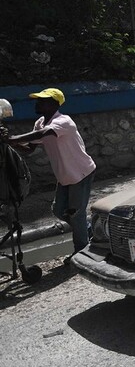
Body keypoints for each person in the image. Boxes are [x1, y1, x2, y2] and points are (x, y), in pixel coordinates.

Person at [3, 88, 96, 260]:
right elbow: (30, 149)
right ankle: (88, 230)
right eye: (37, 100)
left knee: (75, 213)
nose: (37, 103)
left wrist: (13, 139)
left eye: (42, 101)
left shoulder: (64, 121)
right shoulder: (40, 123)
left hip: (80, 172)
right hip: (65, 175)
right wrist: (11, 144)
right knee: (59, 210)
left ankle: (82, 252)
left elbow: (45, 134)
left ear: (54, 104)